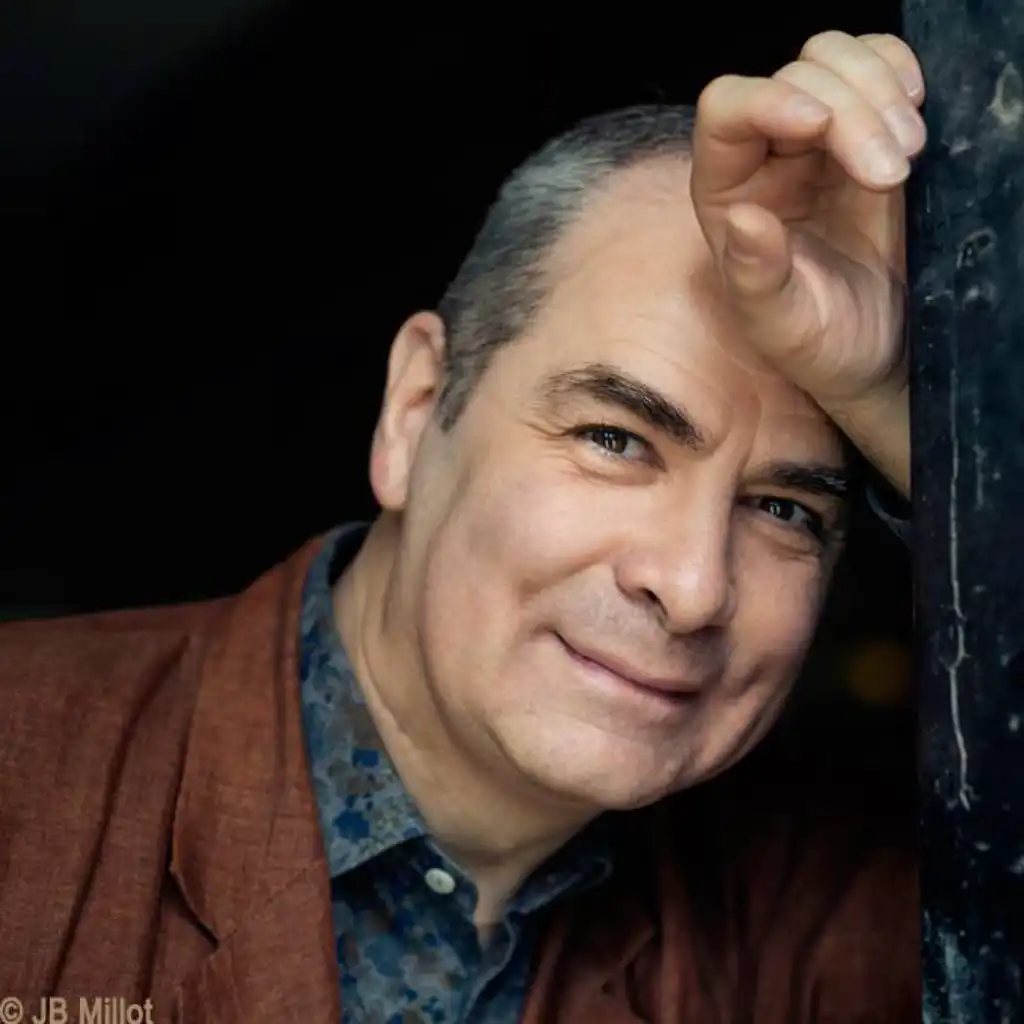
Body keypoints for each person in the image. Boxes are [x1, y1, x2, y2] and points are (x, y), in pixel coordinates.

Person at [0, 30, 920, 1024]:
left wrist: (908, 418)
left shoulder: (827, 923)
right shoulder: (25, 772)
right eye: (615, 440)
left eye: (785, 508)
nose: (692, 585)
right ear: (414, 410)